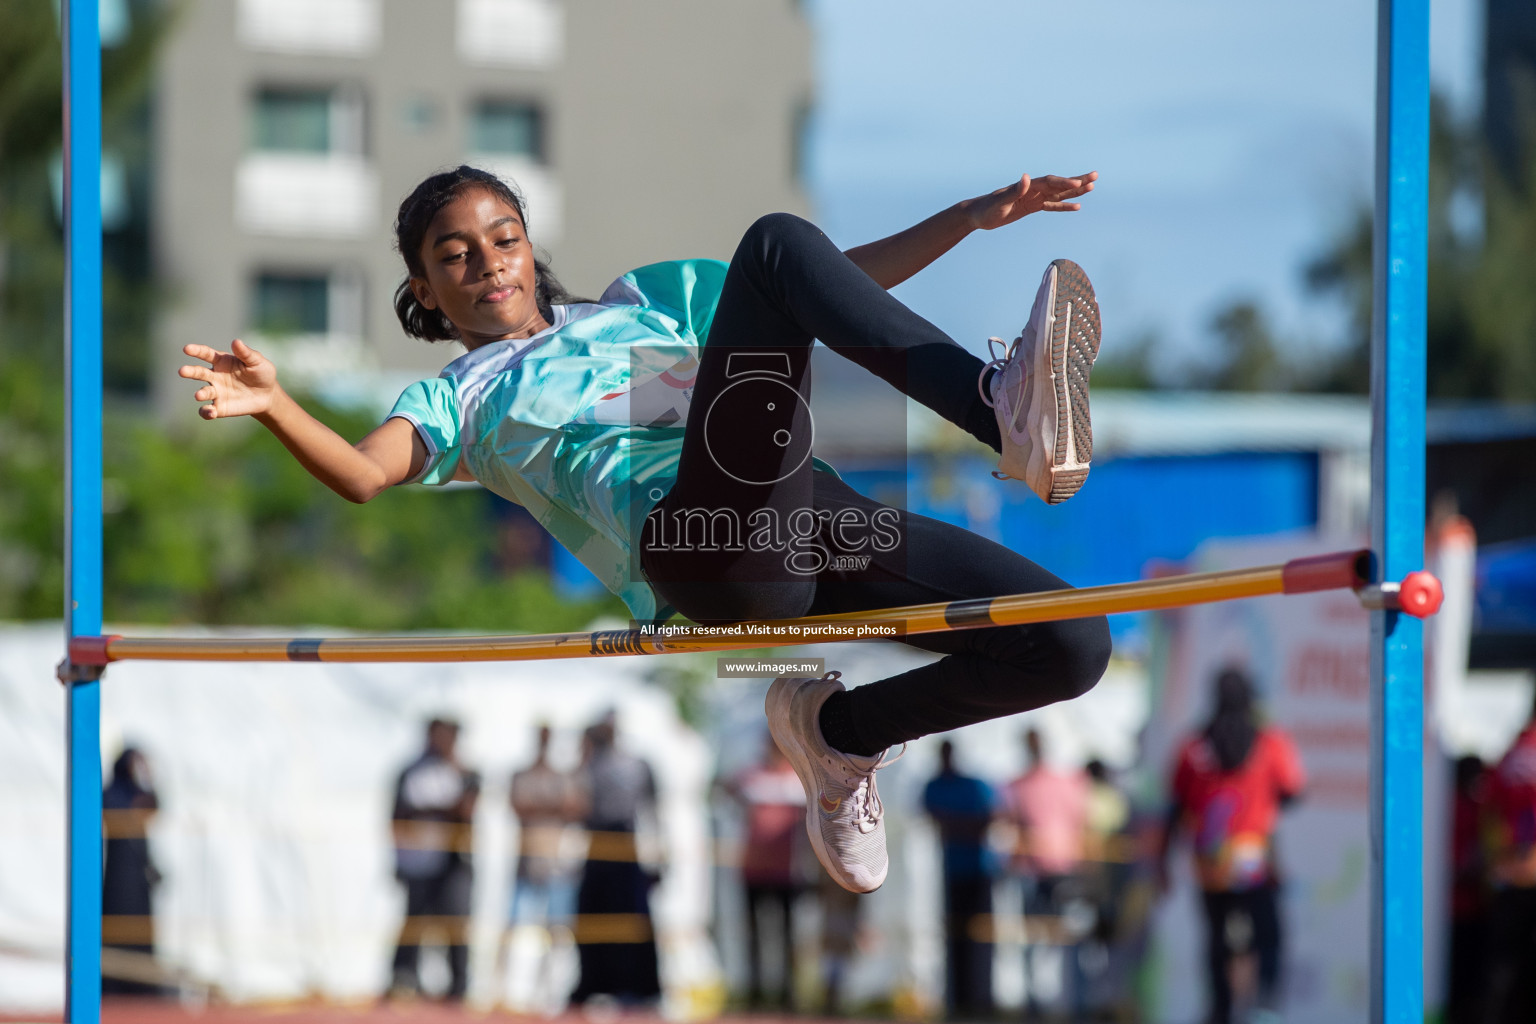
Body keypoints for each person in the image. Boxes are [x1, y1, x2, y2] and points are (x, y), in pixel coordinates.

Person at [177, 163, 1113, 895]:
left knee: (1072, 646)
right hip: (702, 551)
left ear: (528, 245)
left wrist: (969, 216)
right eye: (454, 254)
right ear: (423, 291)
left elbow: (832, 286)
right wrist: (274, 405)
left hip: (823, 522)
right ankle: (1004, 414)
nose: (488, 260)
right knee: (774, 242)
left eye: (502, 237)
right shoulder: (459, 396)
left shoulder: (644, 303)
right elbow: (360, 474)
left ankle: (836, 731)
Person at [1158, 668, 1304, 1024]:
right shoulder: (1269, 741)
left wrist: (1161, 863)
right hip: (1252, 855)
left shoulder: (1193, 746)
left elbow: (1175, 808)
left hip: (1210, 857)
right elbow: (1293, 791)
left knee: (1217, 939)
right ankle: (1263, 1007)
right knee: (1266, 935)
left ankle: (1220, 1010)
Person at [570, 714, 663, 1005]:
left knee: (631, 916)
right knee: (592, 914)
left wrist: (657, 857)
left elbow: (652, 812)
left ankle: (636, 985)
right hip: (597, 848)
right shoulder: (587, 765)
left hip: (626, 846)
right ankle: (595, 983)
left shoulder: (636, 765)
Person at [389, 717, 481, 1001]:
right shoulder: (411, 772)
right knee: (414, 922)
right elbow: (398, 816)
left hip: (454, 863)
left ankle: (459, 985)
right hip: (418, 861)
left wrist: (430, 810)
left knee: (456, 923)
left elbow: (465, 810)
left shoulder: (465, 772)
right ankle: (404, 979)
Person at [1006, 728, 1089, 1020]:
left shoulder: (1023, 785)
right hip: (1052, 871)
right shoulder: (1062, 783)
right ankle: (1060, 1006)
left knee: (1054, 942)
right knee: (1049, 943)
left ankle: (1059, 1005)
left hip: (1054, 871)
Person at [497, 723, 583, 1008]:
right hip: (525, 865)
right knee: (513, 929)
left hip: (556, 866)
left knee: (556, 932)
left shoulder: (563, 777)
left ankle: (547, 992)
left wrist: (542, 805)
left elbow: (575, 807)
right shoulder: (522, 775)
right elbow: (519, 806)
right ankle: (505, 990)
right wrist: (552, 805)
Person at [725, 736, 812, 1010]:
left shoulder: (795, 777)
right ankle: (756, 993)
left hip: (786, 871)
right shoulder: (753, 774)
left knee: (786, 936)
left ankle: (787, 993)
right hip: (753, 868)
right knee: (753, 935)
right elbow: (726, 786)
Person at [922, 739, 999, 1018]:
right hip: (949, 873)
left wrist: (955, 825)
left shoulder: (973, 784)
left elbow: (988, 818)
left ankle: (981, 1001)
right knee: (954, 938)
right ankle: (959, 1001)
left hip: (978, 871)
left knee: (980, 938)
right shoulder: (935, 786)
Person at [1481, 688, 1536, 1024]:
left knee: (1500, 975)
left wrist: (1499, 863)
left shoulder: (1511, 753)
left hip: (1506, 877)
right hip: (1528, 878)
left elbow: (1489, 813)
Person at [102, 747, 163, 996]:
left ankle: (143, 986)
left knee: (139, 932)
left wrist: (147, 776)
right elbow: (117, 809)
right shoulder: (112, 794)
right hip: (118, 878)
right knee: (116, 930)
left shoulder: (137, 793)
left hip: (139, 880)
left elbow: (154, 804)